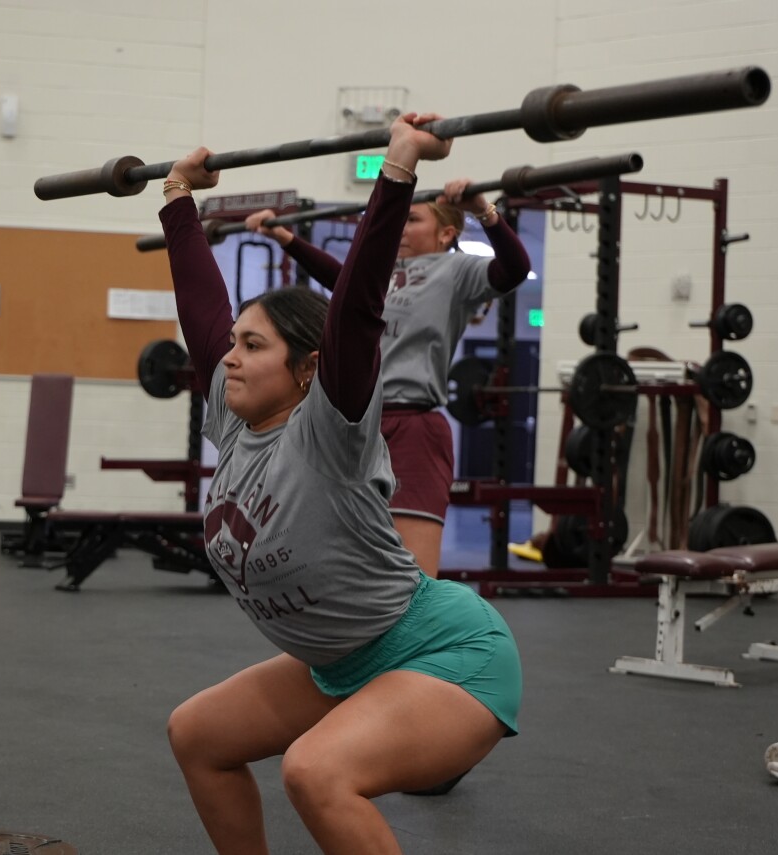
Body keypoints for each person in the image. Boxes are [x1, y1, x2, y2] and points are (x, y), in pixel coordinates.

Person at [159, 114, 522, 855]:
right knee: (196, 732)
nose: (229, 357)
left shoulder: (330, 429)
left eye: (252, 345)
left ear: (306, 369)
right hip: (341, 662)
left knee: (314, 770)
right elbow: (202, 319)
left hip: (443, 653)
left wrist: (397, 170)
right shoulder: (231, 425)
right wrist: (176, 202)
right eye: (234, 344)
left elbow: (356, 311)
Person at [244, 176, 532, 579]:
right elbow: (341, 281)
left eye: (411, 220)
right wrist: (286, 239)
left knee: (413, 569)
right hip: (359, 425)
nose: (400, 229)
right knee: (343, 556)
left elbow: (516, 268)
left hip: (413, 423)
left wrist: (483, 210)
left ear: (446, 232)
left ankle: (421, 641)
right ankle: (348, 641)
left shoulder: (456, 269)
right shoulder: (382, 272)